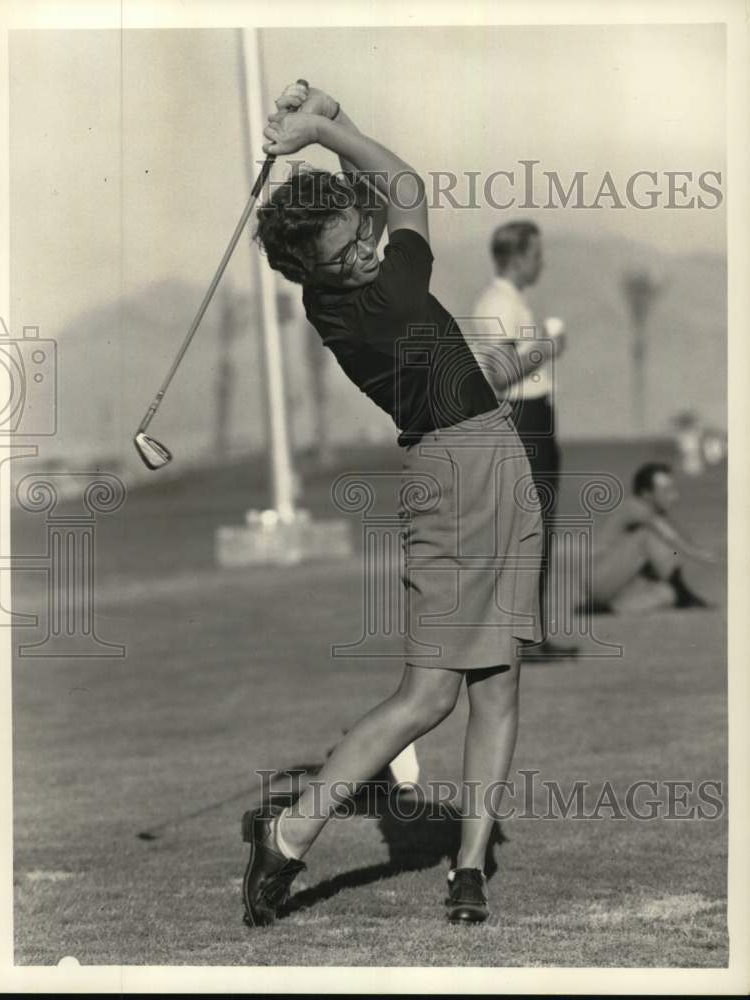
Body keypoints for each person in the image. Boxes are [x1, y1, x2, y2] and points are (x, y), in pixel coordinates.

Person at [239, 81, 544, 927]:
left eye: (362, 241)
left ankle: (469, 867)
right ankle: (288, 835)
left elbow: (370, 198)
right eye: (343, 257)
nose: (366, 255)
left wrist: (327, 127)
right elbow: (403, 184)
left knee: (500, 682)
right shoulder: (382, 301)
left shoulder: (335, 282)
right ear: (312, 273)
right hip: (453, 475)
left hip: (497, 458)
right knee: (430, 695)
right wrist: (326, 131)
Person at [471, 222, 576, 660]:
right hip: (522, 418)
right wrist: (548, 347)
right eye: (536, 254)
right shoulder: (498, 303)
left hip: (534, 416)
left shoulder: (513, 303)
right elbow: (499, 372)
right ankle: (521, 638)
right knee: (527, 531)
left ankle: (528, 635)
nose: (542, 262)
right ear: (517, 257)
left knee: (534, 528)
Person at [586, 462, 714, 613]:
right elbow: (669, 535)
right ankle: (683, 592)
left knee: (668, 594)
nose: (673, 495)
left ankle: (608, 608)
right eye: (665, 490)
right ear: (646, 493)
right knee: (647, 537)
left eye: (672, 489)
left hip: (613, 581)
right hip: (599, 575)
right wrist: (698, 554)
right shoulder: (635, 506)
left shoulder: (650, 514)